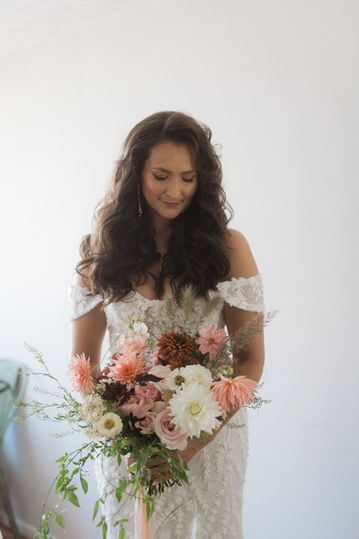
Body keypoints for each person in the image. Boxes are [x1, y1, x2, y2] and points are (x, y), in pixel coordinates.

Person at [69, 111, 265, 538]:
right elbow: (84, 364)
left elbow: (250, 360)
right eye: (161, 175)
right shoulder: (100, 250)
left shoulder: (229, 248)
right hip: (130, 447)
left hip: (211, 438)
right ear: (135, 173)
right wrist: (119, 430)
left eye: (188, 178)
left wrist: (189, 445)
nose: (175, 191)